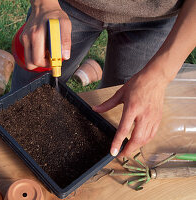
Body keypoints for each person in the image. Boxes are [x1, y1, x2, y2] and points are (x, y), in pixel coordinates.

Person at [11, 0, 196, 157]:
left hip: (156, 20)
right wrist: (45, 4)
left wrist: (159, 76)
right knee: (25, 99)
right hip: (66, 7)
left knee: (115, 114)